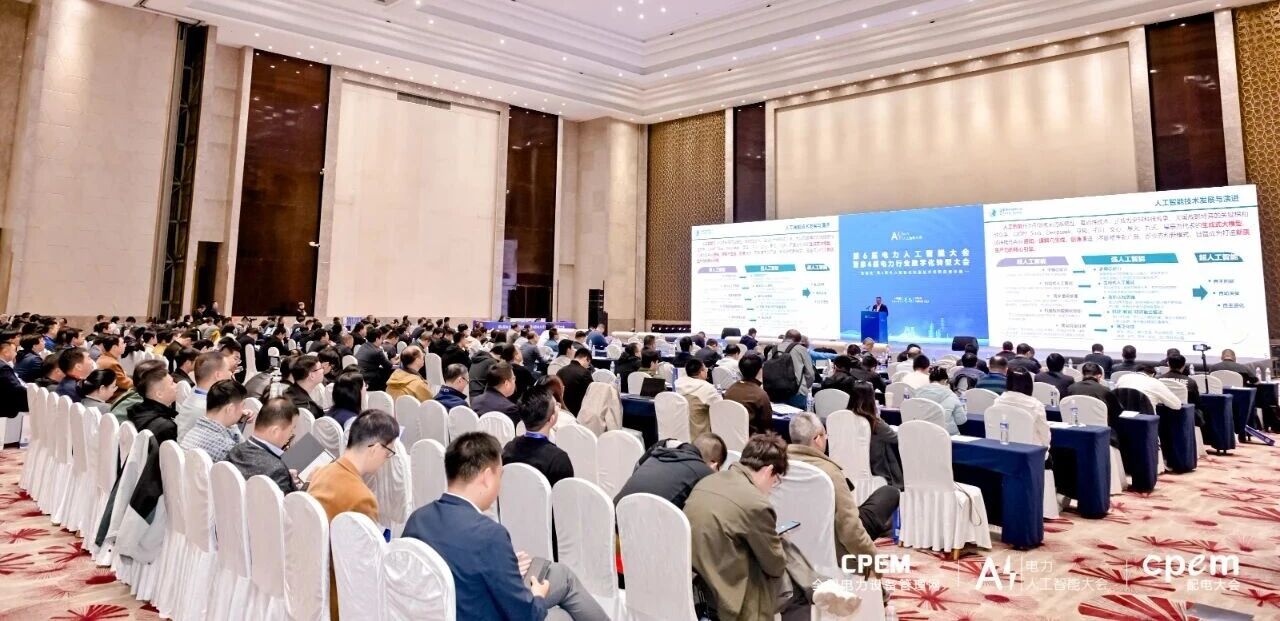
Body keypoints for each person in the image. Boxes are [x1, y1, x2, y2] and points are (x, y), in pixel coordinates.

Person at [402, 432, 609, 621]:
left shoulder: (418, 519)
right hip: (482, 612)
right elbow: (526, 616)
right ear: (487, 477)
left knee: (559, 575)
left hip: (446, 609)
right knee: (561, 613)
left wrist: (505, 566)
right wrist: (537, 595)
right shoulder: (489, 535)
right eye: (500, 475)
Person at [683, 434, 791, 621]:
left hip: (696, 583)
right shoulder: (756, 504)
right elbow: (775, 566)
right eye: (776, 480)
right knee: (795, 589)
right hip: (730, 596)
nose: (773, 486)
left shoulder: (707, 481)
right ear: (769, 471)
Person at [308, 409, 397, 620]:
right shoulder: (362, 497)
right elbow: (365, 570)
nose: (387, 459)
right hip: (339, 597)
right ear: (375, 449)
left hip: (311, 582)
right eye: (388, 453)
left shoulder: (321, 472)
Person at [787, 413, 899, 578]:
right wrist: (873, 560)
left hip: (794, 543)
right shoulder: (828, 472)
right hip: (832, 546)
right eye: (825, 435)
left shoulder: (777, 465)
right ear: (817, 439)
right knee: (889, 493)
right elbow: (849, 527)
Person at [614, 433, 726, 508]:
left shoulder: (659, 454)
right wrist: (712, 476)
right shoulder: (703, 472)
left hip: (614, 522)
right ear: (714, 463)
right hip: (643, 530)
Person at [502, 386, 574, 487]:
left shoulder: (508, 449)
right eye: (556, 406)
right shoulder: (558, 460)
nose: (559, 407)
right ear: (552, 419)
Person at [227, 397, 300, 494]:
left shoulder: (234, 451)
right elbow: (290, 503)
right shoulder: (277, 470)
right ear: (275, 431)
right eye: (291, 429)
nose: (292, 434)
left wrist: (287, 478)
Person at [179, 379, 248, 462]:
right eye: (242, 406)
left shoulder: (191, 433)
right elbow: (245, 459)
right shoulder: (226, 448)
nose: (243, 411)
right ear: (230, 409)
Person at [850, 381, 901, 488]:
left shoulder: (844, 418)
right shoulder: (875, 422)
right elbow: (896, 439)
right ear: (871, 399)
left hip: (850, 467)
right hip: (876, 469)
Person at [992, 368, 1050, 453]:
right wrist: (1046, 450)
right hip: (1031, 451)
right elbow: (1044, 433)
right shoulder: (1036, 405)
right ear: (1029, 384)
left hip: (1002, 449)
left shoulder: (997, 401)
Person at [175, 352, 231, 439]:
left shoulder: (195, 391)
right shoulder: (208, 409)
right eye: (228, 370)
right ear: (218, 375)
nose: (230, 374)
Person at [1066, 362, 1122, 446]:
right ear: (1099, 376)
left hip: (1074, 430)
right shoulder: (1105, 390)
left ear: (1082, 374)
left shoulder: (1071, 388)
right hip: (1100, 432)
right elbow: (1117, 411)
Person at [127, 359, 181, 444]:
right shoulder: (165, 427)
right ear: (159, 394)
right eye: (172, 383)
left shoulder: (136, 412)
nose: (176, 385)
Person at [724, 354, 772, 434]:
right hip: (752, 438)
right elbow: (767, 425)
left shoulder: (730, 389)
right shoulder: (760, 395)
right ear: (760, 370)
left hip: (728, 433)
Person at [676, 359, 724, 438]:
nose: (707, 370)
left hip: (680, 433)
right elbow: (721, 408)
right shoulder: (708, 388)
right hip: (699, 436)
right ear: (701, 372)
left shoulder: (677, 383)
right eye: (705, 368)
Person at [912, 366, 967, 435]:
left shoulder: (916, 393)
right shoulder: (951, 395)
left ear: (929, 380)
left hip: (921, 434)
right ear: (946, 381)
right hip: (947, 436)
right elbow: (961, 421)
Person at [1117, 365, 1182, 410]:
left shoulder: (1123, 378)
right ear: (1153, 375)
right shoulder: (1155, 382)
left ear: (1135, 372)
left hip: (1120, 419)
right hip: (1145, 421)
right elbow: (1177, 405)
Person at [284, 354, 326, 418]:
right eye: (321, 368)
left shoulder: (286, 393)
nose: (323, 370)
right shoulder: (309, 409)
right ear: (312, 375)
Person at [555, 348, 594, 416]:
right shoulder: (585, 373)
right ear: (586, 359)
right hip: (577, 412)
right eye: (588, 364)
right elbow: (591, 393)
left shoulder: (561, 370)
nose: (587, 366)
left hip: (560, 410)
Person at [95, 336, 133, 401]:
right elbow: (126, 384)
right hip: (114, 398)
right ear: (114, 347)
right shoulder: (112, 363)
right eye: (122, 343)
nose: (125, 345)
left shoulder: (104, 358)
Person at [356, 327, 394, 392]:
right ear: (377, 339)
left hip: (358, 375)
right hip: (367, 379)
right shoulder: (377, 351)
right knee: (388, 373)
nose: (382, 341)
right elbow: (388, 366)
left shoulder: (363, 345)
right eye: (381, 338)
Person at [0, 333, 28, 418]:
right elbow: (16, 388)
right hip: (6, 408)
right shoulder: (3, 367)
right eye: (14, 350)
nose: (16, 353)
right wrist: (32, 393)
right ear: (6, 352)